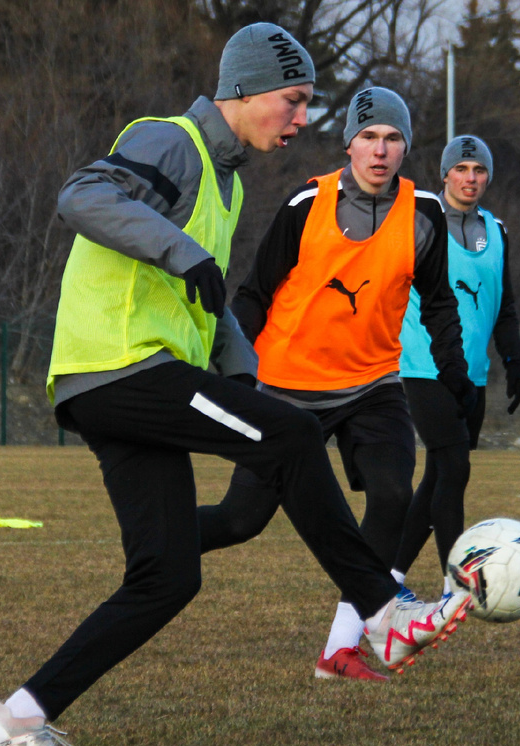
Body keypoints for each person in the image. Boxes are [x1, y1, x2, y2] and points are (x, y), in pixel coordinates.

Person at [0, 26, 469, 746]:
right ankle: (384, 612)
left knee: (168, 578)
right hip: (123, 368)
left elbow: (208, 305)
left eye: (307, 103)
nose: (302, 118)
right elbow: (81, 195)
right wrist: (183, 252)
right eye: (293, 100)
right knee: (293, 436)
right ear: (244, 90)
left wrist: (240, 377)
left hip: (128, 382)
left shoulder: (228, 184)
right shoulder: (170, 141)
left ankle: (17, 719)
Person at [198, 87, 478, 683]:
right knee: (240, 521)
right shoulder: (306, 204)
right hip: (286, 387)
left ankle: (341, 649)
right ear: (349, 142)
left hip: (372, 384)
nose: (380, 150)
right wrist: (232, 370)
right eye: (369, 136)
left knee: (393, 496)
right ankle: (157, 537)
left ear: (406, 148)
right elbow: (253, 294)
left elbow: (437, 302)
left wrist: (455, 373)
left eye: (393, 138)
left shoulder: (425, 212)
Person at [391, 135, 520, 597]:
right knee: (454, 468)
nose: (471, 178)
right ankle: (457, 584)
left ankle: (390, 577)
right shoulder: (419, 221)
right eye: (462, 169)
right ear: (445, 174)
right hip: (423, 364)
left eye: (479, 170)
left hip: (473, 374)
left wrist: (515, 360)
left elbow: (505, 305)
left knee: (439, 476)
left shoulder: (497, 231)